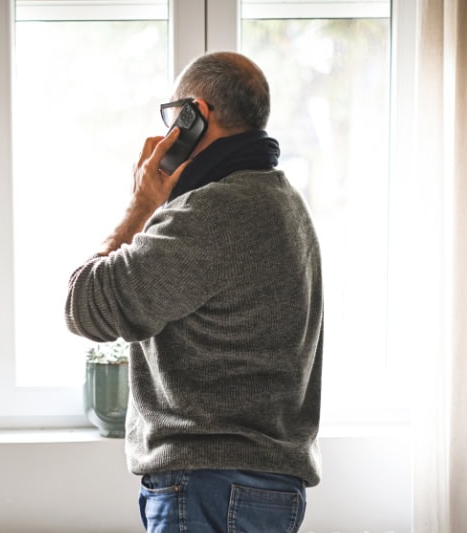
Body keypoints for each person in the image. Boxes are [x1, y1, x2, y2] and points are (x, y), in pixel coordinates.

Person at [64, 51, 323, 532]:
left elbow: (86, 305)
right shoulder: (283, 201)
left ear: (194, 115)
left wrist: (140, 205)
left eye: (172, 118)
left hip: (209, 487)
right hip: (260, 489)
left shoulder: (214, 212)